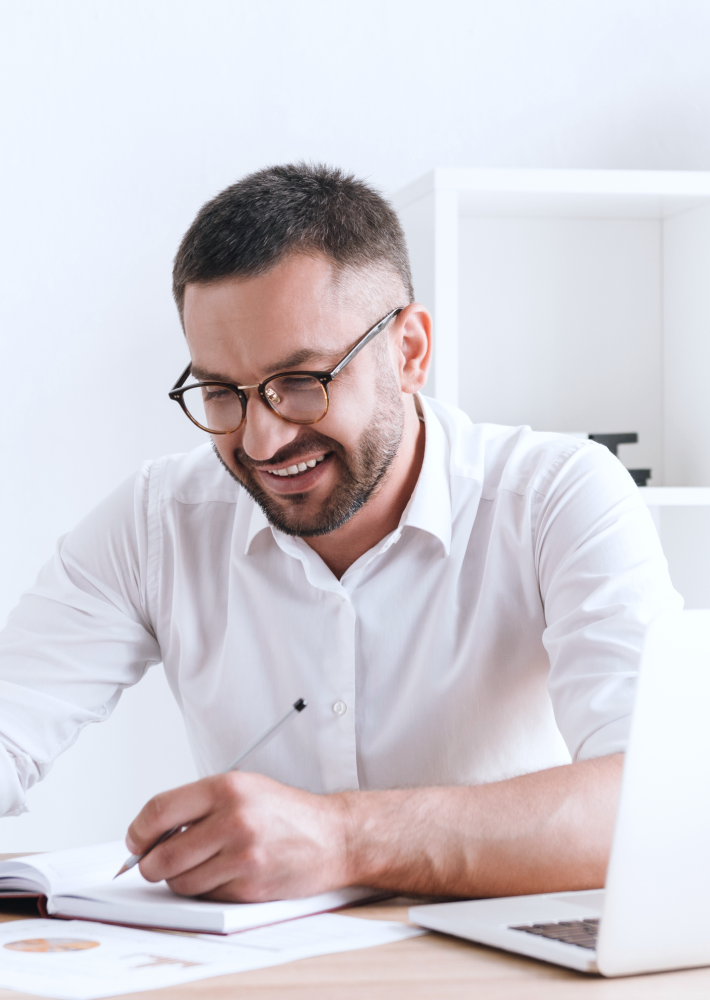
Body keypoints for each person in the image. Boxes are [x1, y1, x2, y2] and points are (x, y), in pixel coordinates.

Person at [0, 164, 680, 903]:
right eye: (222, 394)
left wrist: (345, 840)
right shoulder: (157, 520)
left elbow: (660, 804)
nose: (261, 440)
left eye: (303, 382)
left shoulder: (558, 497)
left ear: (410, 352)